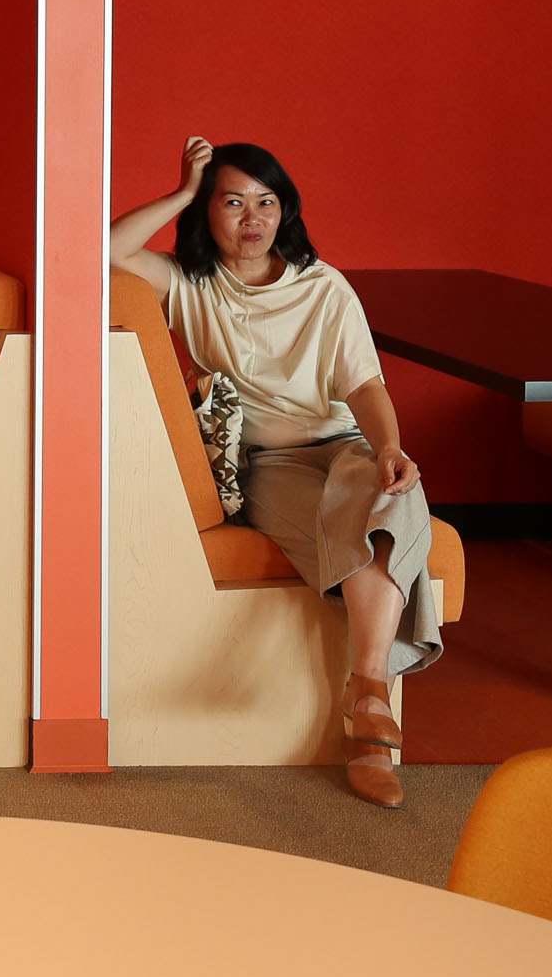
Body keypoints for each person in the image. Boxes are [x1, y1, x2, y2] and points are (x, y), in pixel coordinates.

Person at [110, 136, 438, 809]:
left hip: (342, 444)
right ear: (207, 213)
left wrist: (388, 448)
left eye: (266, 201)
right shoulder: (189, 283)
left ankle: (368, 691)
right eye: (231, 202)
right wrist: (177, 191)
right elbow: (100, 251)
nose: (251, 217)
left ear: (285, 211)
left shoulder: (324, 286)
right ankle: (371, 719)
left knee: (391, 493)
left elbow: (366, 386)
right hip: (267, 465)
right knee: (377, 521)